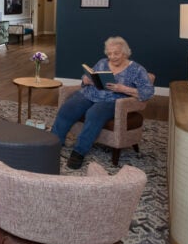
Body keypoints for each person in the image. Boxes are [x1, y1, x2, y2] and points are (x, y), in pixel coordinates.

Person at [51, 36, 154, 170]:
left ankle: (79, 152)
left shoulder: (137, 69)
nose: (112, 57)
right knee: (68, 108)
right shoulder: (102, 63)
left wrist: (123, 89)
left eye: (116, 53)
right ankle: (54, 143)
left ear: (125, 53)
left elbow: (148, 92)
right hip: (90, 93)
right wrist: (86, 80)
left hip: (112, 100)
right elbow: (90, 76)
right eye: (109, 54)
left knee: (94, 114)